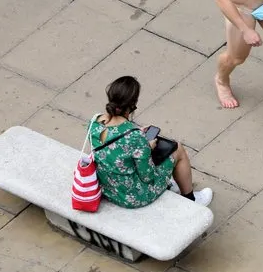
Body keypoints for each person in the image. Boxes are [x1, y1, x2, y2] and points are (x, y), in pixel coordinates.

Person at [88, 76, 212, 208]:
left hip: (108, 188)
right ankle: (191, 199)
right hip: (133, 196)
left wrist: (138, 136)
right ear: (132, 104)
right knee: (178, 149)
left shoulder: (94, 121)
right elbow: (147, 176)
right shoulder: (135, 136)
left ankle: (173, 183)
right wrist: (147, 147)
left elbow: (113, 147)